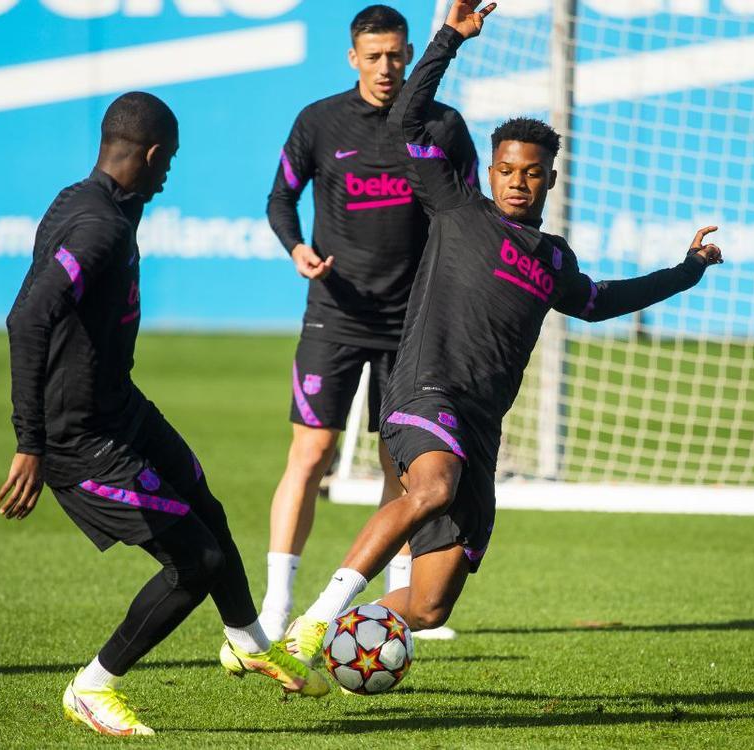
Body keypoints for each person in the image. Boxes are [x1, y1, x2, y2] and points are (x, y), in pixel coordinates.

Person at [282, 0, 724, 672]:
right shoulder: (455, 206)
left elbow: (604, 302)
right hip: (425, 395)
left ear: (551, 177)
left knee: (429, 607)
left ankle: (338, 639)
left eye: (532, 172)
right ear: (489, 172)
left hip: (479, 429)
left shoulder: (553, 260)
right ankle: (313, 621)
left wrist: (686, 273)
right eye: (507, 170)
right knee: (426, 489)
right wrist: (449, 39)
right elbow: (407, 118)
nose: (518, 181)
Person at [0, 91, 326, 738]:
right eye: (168, 158)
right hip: (79, 436)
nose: (170, 171)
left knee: (207, 505)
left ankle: (250, 639)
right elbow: (28, 317)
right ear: (149, 155)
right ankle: (94, 686)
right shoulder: (99, 227)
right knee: (195, 561)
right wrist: (31, 442)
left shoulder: (90, 200)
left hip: (121, 408)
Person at [261, 4, 479, 643]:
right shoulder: (319, 121)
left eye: (397, 54)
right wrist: (296, 247)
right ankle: (277, 603)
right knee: (312, 453)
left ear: (411, 54)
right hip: (333, 319)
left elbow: (465, 212)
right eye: (374, 56)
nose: (387, 67)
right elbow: (280, 196)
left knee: (402, 465)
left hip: (414, 328)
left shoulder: (441, 124)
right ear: (353, 58)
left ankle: (395, 605)